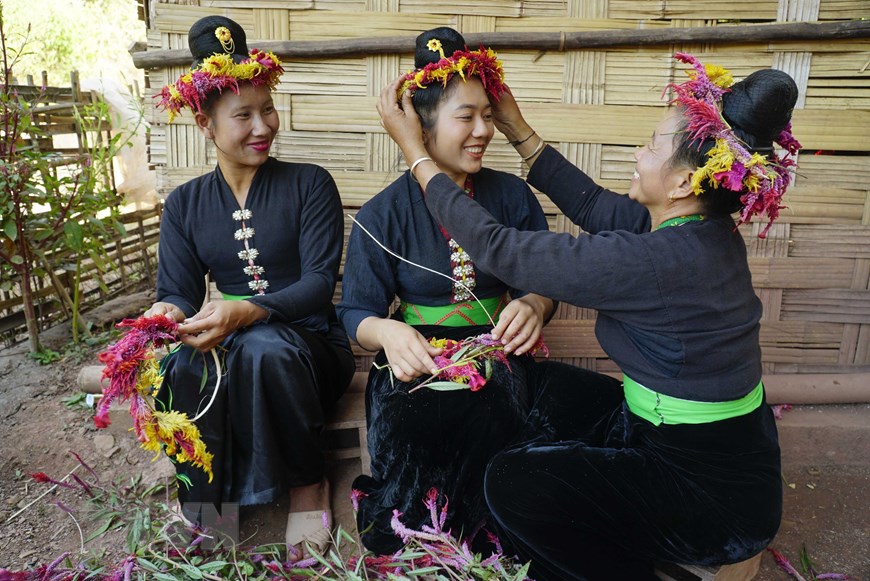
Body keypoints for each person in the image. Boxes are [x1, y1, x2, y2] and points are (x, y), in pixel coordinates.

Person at [377, 51, 800, 579]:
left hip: (707, 493)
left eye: (652, 146)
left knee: (512, 485)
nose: (638, 154)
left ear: (685, 183)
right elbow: (595, 206)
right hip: (705, 446)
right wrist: (515, 126)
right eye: (470, 116)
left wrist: (418, 155)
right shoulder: (698, 230)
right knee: (536, 385)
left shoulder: (649, 261)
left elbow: (498, 247)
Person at [337, 27, 556, 554]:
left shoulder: (512, 196)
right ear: (423, 128)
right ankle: (420, 535)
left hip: (497, 346)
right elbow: (356, 313)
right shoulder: (382, 214)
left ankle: (489, 537)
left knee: (498, 411)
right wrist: (388, 333)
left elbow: (545, 283)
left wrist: (533, 304)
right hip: (414, 354)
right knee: (411, 422)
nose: (483, 129)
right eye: (466, 117)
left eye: (488, 114)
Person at [148, 15, 355, 556]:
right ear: (204, 124)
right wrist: (166, 315)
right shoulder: (186, 205)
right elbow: (177, 290)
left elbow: (316, 286)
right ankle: (207, 505)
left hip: (309, 345)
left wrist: (245, 311)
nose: (262, 125)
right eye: (243, 115)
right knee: (185, 365)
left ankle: (307, 486)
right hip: (234, 344)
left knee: (264, 349)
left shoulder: (310, 184)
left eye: (267, 109)